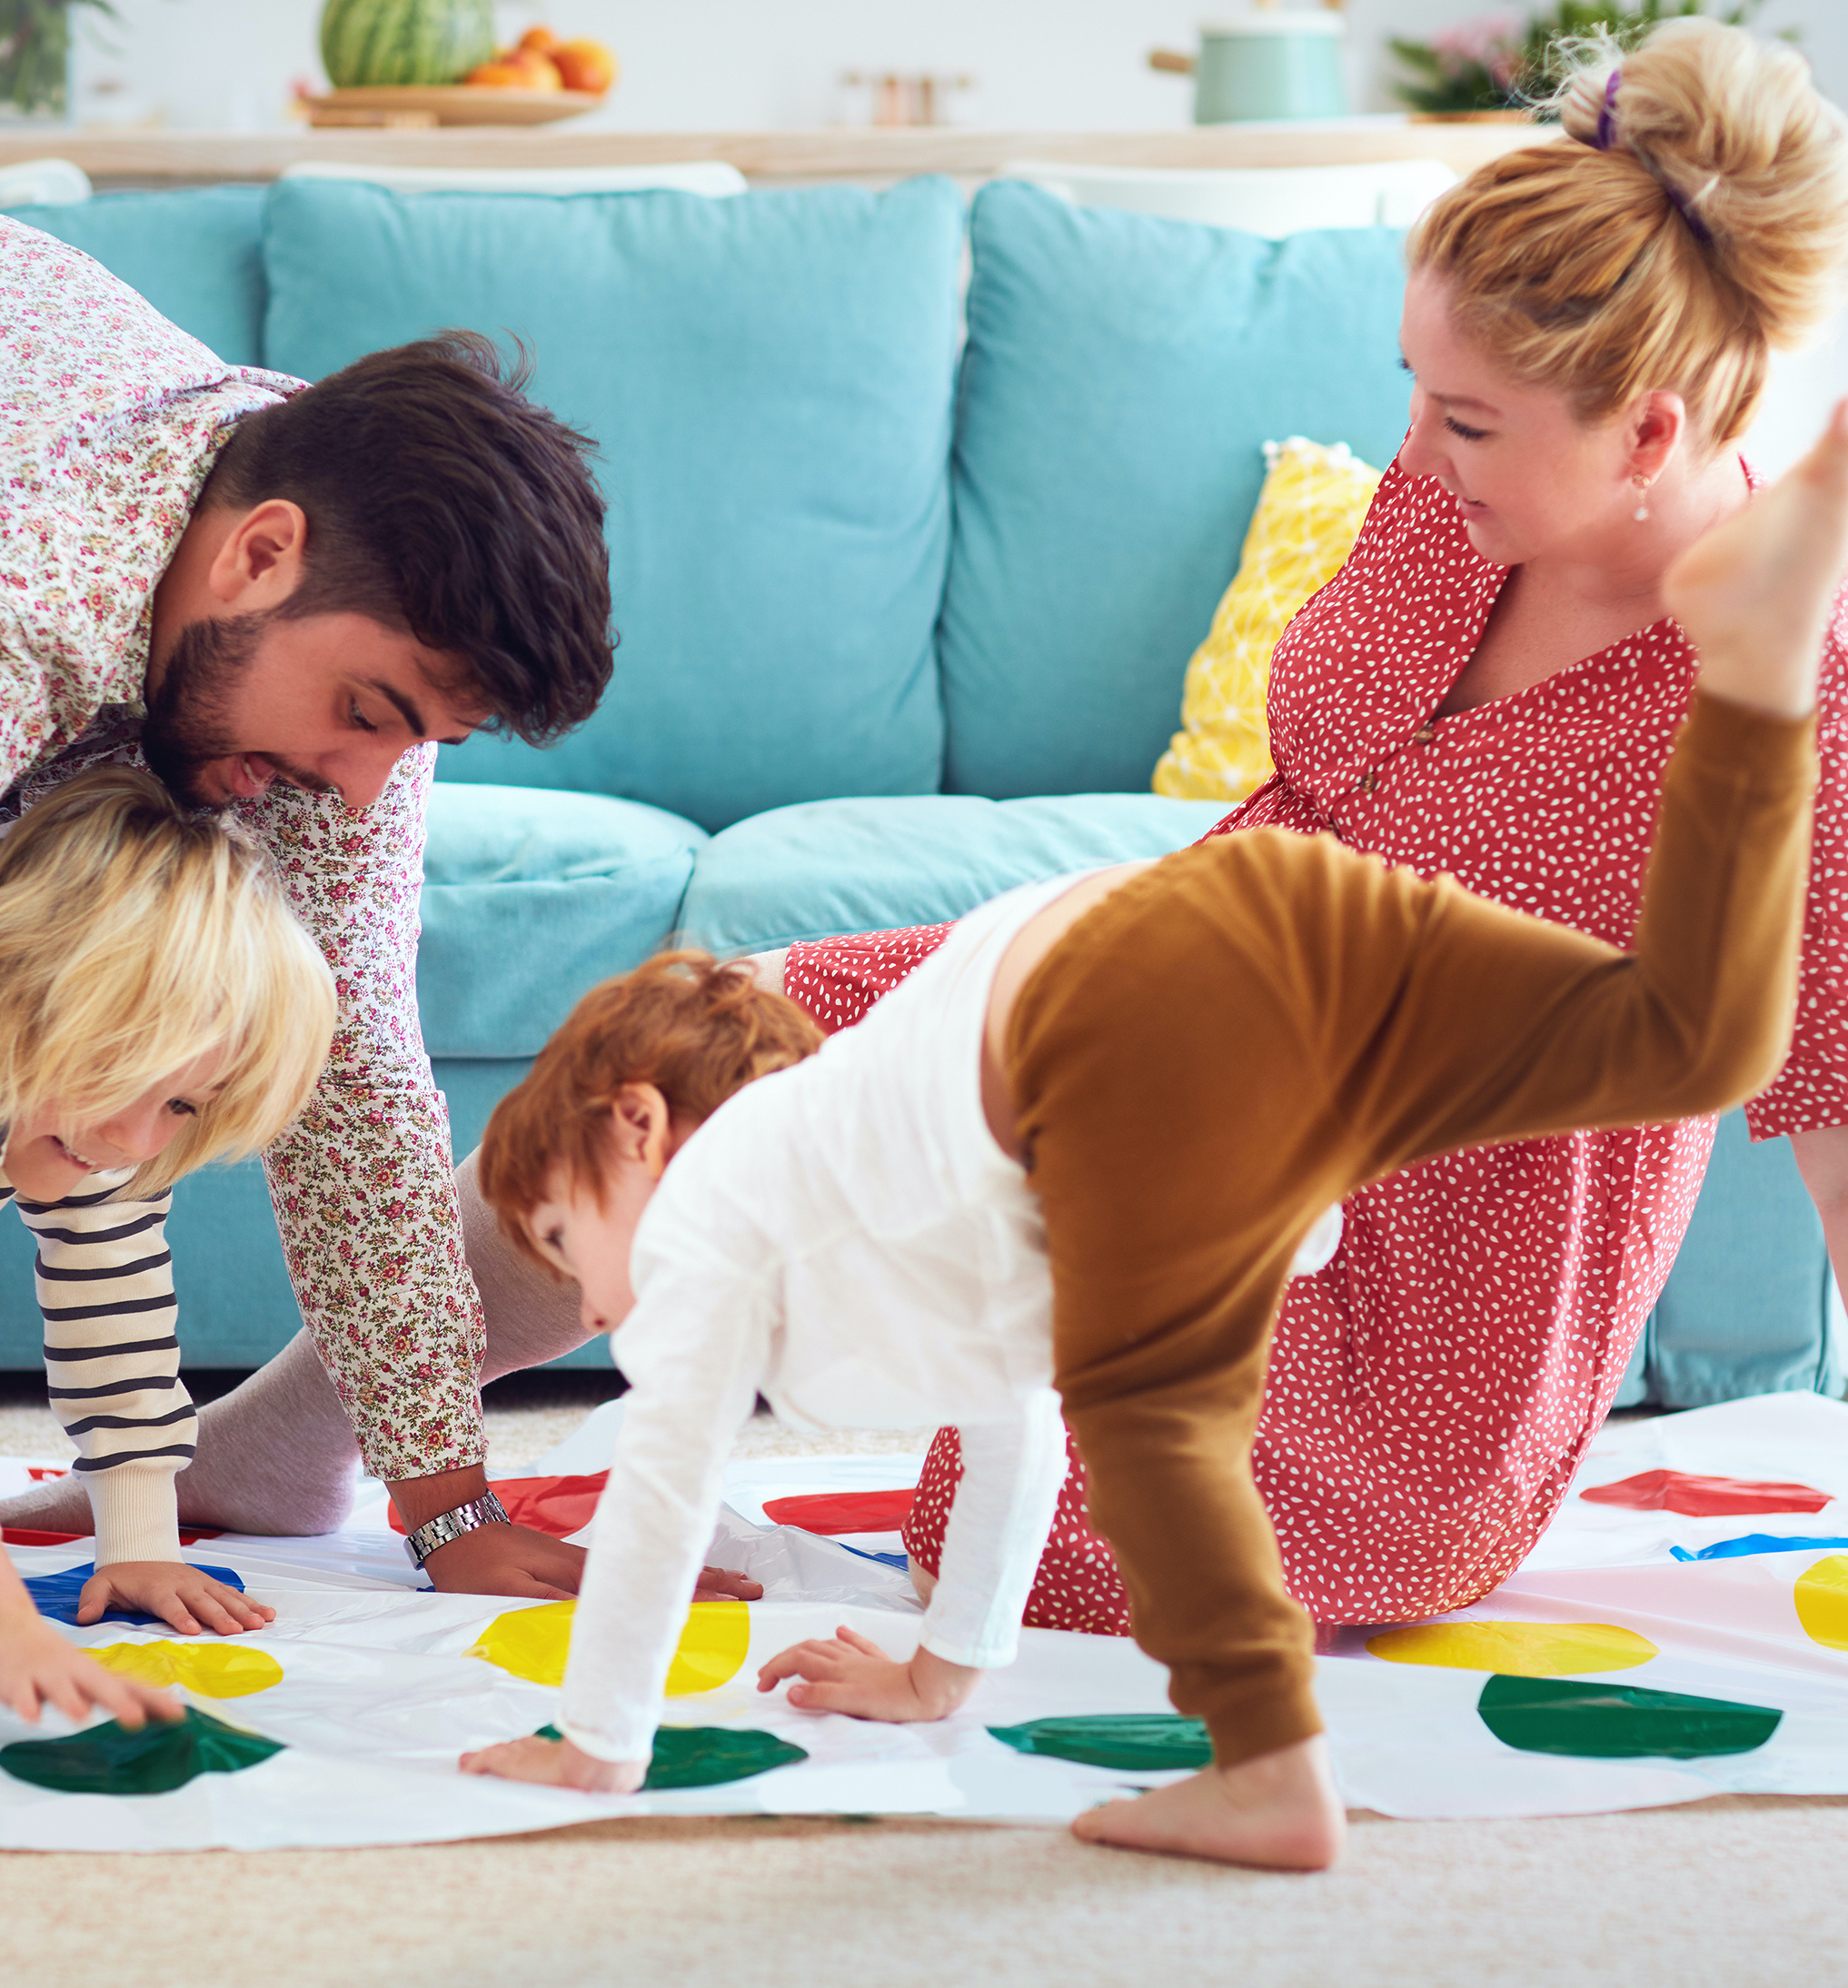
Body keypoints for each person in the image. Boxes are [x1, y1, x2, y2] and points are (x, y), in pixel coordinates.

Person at [452, 394, 1848, 1870]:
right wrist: (946, 1666)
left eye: (567, 1245)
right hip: (1262, 943)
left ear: (638, 1130)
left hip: (1178, 1000)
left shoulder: (723, 1190)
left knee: (1145, 1404)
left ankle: (1267, 1771)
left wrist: (597, 1735)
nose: (598, 1308)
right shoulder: (888, 1202)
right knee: (1686, 1037)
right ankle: (1755, 681)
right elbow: (1009, 1413)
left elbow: (670, 1474)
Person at [759, 18, 1848, 1636]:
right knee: (710, 1039)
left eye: (1466, 419)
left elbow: (1834, 1121)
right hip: (1179, 1011)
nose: (1412, 448)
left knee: (1028, 1529)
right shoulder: (1456, 485)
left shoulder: (1783, 704)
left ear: (1648, 435)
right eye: (1418, 389)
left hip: (1421, 1301)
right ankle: (374, 1454)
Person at [0, 175, 737, 1605]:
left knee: (69, 1051)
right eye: (367, 714)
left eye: (412, 740)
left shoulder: (342, 573)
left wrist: (447, 1510)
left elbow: (355, 1067)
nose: (362, 788)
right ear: (258, 556)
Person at [0, 769, 336, 1727]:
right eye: (123, 1075)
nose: (141, 1140)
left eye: (181, 1105)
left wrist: (136, 1536)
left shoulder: (56, 1062)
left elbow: (115, 1278)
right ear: (36, 983)